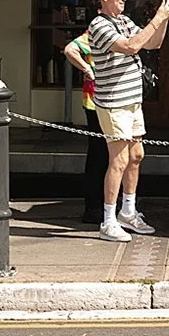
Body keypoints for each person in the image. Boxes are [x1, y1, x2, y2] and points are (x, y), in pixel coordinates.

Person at [86, 0, 169, 242]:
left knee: (136, 156)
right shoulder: (99, 24)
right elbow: (131, 46)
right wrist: (157, 18)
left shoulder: (124, 21)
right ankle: (108, 221)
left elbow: (153, 43)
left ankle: (127, 211)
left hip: (133, 102)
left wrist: (164, 20)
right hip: (114, 103)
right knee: (119, 160)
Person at [61, 30, 110, 224]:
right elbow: (70, 49)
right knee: (99, 155)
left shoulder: (122, 29)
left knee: (110, 156)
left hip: (112, 101)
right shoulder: (95, 33)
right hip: (95, 101)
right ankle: (94, 207)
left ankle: (104, 205)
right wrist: (87, 69)